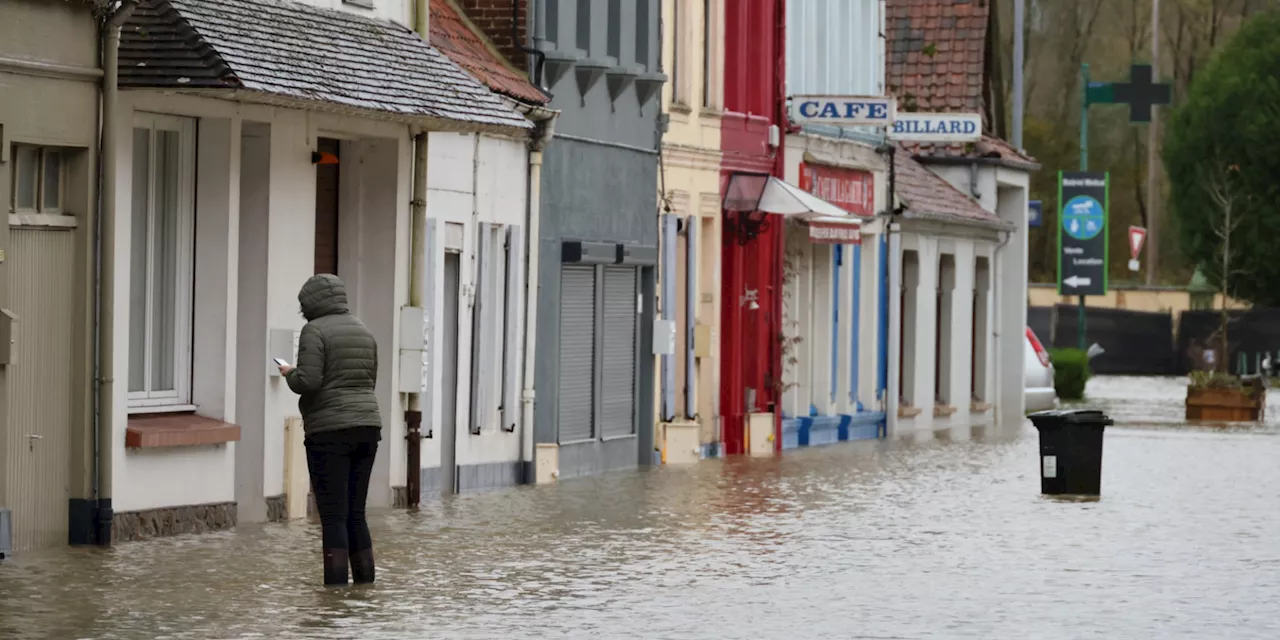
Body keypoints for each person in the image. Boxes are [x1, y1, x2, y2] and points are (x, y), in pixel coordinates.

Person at [278, 274, 382, 586]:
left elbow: (308, 382)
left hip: (330, 431)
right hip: (367, 427)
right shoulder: (363, 329)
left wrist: (289, 373)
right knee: (356, 514)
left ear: (311, 304)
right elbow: (368, 381)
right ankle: (364, 588)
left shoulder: (315, 330)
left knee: (334, 516)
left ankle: (335, 595)